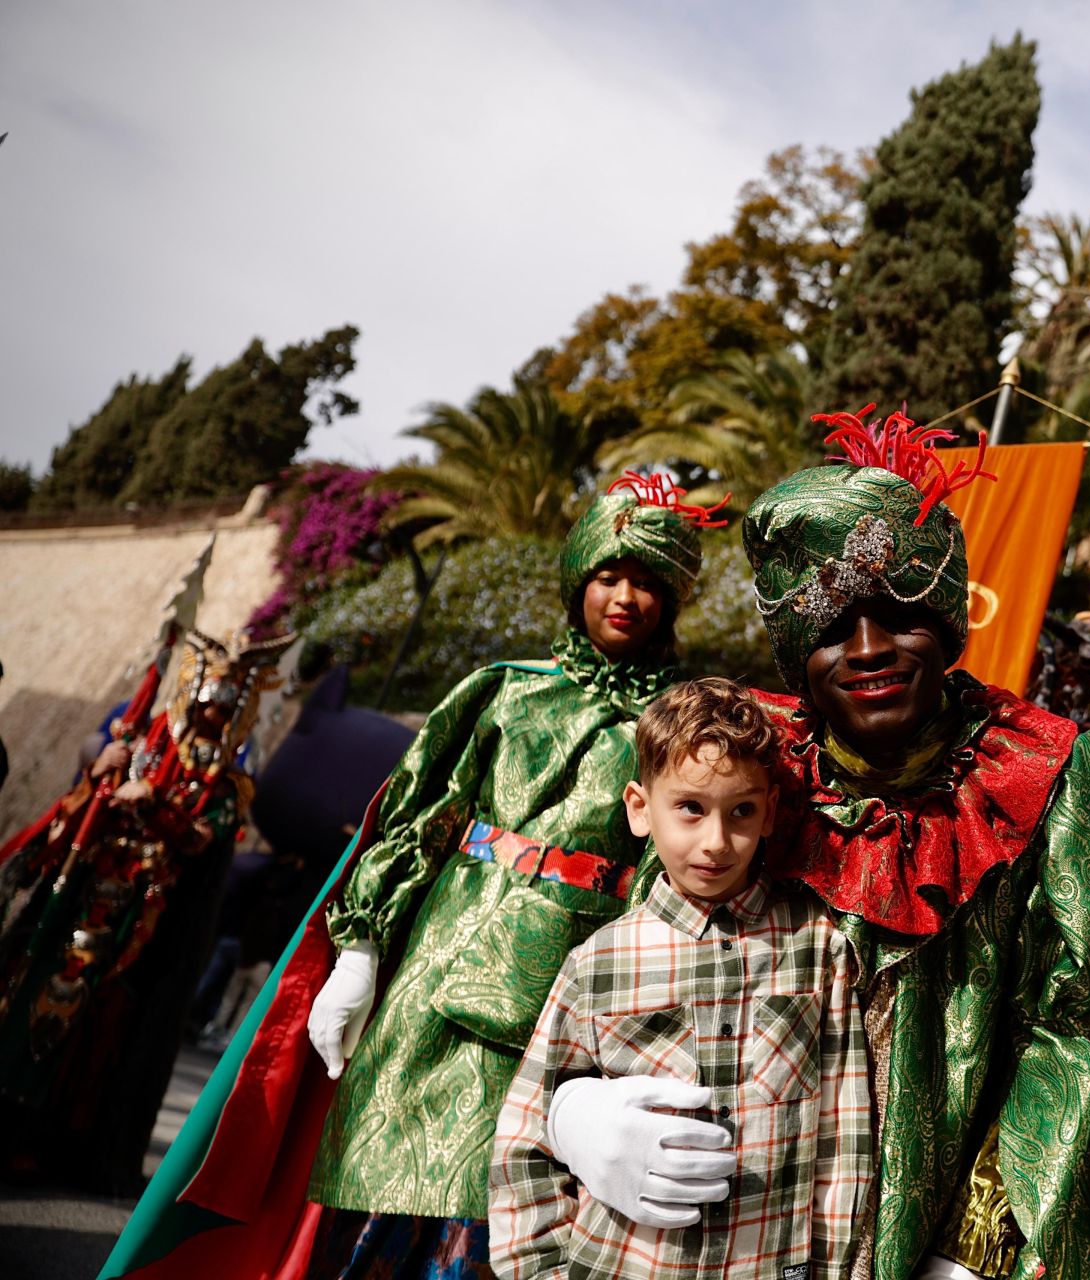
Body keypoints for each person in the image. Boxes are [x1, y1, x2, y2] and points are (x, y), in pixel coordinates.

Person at [548, 405, 1090, 1279]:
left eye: (899, 614)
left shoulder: (1054, 772)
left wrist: (974, 1246)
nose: (870, 647)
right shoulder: (748, 766)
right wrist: (578, 1104)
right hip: (739, 1227)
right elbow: (644, 954)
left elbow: (1073, 1030)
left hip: (936, 1235)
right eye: (834, 624)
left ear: (950, 619)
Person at [100, 474, 723, 1280]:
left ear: (673, 599)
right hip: (433, 979)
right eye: (611, 573)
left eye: (649, 581)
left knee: (503, 1210)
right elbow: (413, 828)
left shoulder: (682, 725)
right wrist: (357, 954)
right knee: (376, 1188)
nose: (627, 596)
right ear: (579, 579)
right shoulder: (499, 692)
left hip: (569, 1001)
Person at [491, 678, 870, 1279]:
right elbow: (526, 1134)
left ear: (770, 810)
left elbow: (843, 1128)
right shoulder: (598, 963)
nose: (716, 842)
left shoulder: (816, 947)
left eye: (741, 811)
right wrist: (539, 1269)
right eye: (690, 808)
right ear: (641, 809)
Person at [0, 628, 292, 1191]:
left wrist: (155, 804)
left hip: (141, 923)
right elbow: (92, 795)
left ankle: (45, 1143)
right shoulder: (146, 739)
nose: (214, 712)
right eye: (209, 697)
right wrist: (102, 768)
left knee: (90, 1025)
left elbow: (202, 840)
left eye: (228, 704)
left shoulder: (229, 785)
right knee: (34, 996)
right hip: (82, 895)